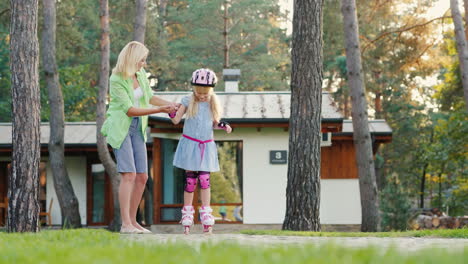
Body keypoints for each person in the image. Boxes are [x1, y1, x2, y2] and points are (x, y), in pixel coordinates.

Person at [101, 41, 177, 234]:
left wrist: (171, 104)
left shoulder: (140, 74)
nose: (144, 63)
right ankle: (125, 224)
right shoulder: (117, 78)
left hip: (138, 127)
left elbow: (150, 96)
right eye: (141, 60)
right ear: (132, 59)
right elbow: (129, 110)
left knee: (142, 176)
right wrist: (160, 110)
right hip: (121, 127)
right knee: (129, 174)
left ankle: (134, 222)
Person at [169, 68, 232, 234]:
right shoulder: (188, 100)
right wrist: (170, 111)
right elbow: (176, 120)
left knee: (205, 180)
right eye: (199, 92)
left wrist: (223, 125)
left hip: (206, 144)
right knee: (191, 181)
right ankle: (188, 214)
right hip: (191, 145)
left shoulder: (212, 102)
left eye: (205, 93)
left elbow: (214, 123)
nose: (202, 96)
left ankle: (206, 213)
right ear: (193, 89)